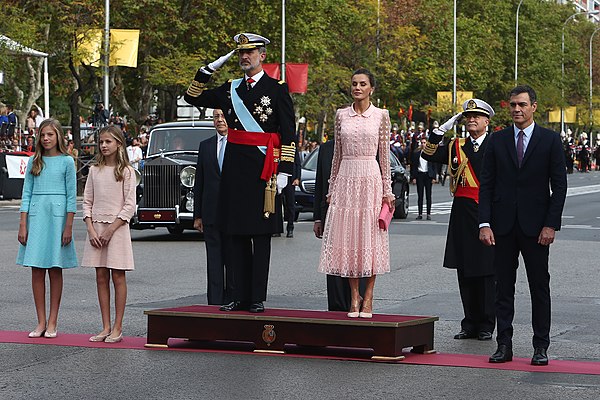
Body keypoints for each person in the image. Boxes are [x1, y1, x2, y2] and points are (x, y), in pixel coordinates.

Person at [184, 32, 296, 313]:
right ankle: (236, 294)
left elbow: (289, 133)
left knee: (259, 237)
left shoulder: (277, 88)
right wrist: (207, 70)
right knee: (234, 236)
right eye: (241, 53)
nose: (245, 57)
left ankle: (256, 296)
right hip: (234, 171)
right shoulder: (230, 88)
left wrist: (285, 170)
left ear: (263, 56)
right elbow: (191, 96)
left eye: (251, 52)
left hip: (263, 170)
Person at [479, 85, 567, 366]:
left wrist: (550, 225)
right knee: (503, 288)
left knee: (539, 287)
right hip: (502, 227)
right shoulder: (497, 140)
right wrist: (484, 223)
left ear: (534, 107)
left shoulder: (550, 140)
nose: (517, 109)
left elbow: (559, 187)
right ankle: (503, 344)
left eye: (522, 105)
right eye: (513, 105)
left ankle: (541, 346)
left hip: (536, 229)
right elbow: (487, 185)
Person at [318, 68, 394, 318]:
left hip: (371, 178)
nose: (357, 87)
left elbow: (384, 155)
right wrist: (331, 188)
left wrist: (388, 191)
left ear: (372, 88)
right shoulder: (341, 115)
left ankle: (369, 296)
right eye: (354, 84)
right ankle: (354, 297)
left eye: (362, 84)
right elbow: (336, 156)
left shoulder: (381, 116)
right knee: (348, 239)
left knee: (370, 239)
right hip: (346, 179)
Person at [422, 99, 496, 341]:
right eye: (468, 116)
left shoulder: (496, 145)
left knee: (486, 270)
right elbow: (428, 154)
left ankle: (486, 323)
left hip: (488, 211)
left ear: (487, 121)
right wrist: (440, 130)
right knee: (465, 269)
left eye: (477, 116)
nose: (472, 119)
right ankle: (469, 322)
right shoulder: (456, 146)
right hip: (462, 213)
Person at [16, 119, 78, 338]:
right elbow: (26, 194)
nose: (46, 138)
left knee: (55, 267)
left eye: (50, 134)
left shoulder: (67, 162)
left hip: (58, 218)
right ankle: (40, 321)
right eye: (43, 135)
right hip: (36, 216)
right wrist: (23, 223)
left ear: (58, 136)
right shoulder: (35, 160)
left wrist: (68, 225)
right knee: (36, 268)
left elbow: (72, 196)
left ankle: (53, 321)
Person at [81, 125, 136, 344]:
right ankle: (104, 326)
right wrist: (91, 228)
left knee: (118, 276)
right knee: (100, 276)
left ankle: (117, 327)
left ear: (119, 144)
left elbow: (129, 206)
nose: (103, 145)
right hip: (97, 230)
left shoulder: (127, 172)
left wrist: (111, 229)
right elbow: (87, 202)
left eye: (108, 142)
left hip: (118, 229)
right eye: (101, 142)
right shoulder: (94, 171)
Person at [193, 109, 233, 305]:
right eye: (216, 116)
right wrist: (197, 215)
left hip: (233, 213)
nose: (219, 120)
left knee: (233, 260)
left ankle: (233, 299)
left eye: (223, 116)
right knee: (214, 261)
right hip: (210, 214)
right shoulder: (205, 146)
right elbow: (199, 182)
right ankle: (215, 303)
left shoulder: (239, 144)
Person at [410, 137, 436, 220]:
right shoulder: (416, 153)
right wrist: (413, 177)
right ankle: (420, 213)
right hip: (420, 175)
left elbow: (434, 165)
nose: (423, 144)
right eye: (422, 142)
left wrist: (434, 177)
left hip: (428, 175)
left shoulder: (430, 153)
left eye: (424, 142)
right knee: (420, 195)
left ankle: (428, 213)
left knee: (428, 195)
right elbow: (413, 166)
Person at [281, 148, 301, 238]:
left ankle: (290, 228)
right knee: (277, 204)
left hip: (291, 179)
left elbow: (298, 164)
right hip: (279, 177)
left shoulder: (293, 147)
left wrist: (297, 178)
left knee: (290, 204)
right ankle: (277, 228)